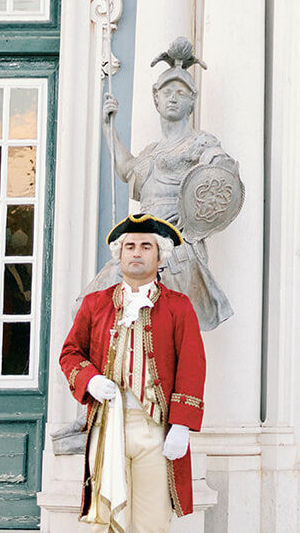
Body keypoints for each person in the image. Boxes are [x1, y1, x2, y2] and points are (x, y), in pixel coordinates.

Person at [60, 214, 206, 533]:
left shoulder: (178, 306)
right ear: (119, 255)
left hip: (154, 429)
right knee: (108, 518)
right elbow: (70, 353)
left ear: (159, 255)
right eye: (130, 247)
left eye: (145, 246)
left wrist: (181, 425)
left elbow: (193, 366)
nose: (137, 253)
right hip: (108, 424)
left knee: (152, 520)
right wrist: (89, 379)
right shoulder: (95, 304)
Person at [87, 38, 242, 329]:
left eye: (181, 93)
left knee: (161, 330)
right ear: (155, 98)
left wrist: (218, 170)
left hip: (175, 250)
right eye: (167, 91)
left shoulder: (199, 141)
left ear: (192, 102)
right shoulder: (151, 152)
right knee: (92, 305)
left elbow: (222, 175)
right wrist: (110, 129)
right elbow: (125, 170)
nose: (173, 98)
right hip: (141, 246)